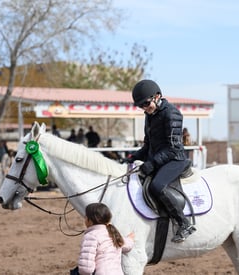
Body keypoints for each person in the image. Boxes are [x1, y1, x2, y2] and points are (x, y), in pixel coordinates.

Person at [126, 79, 196, 243]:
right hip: (160, 159)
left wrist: (152, 164)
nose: (144, 108)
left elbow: (172, 149)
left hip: (175, 159)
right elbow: (149, 145)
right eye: (141, 106)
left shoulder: (172, 113)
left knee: (156, 186)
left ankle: (184, 223)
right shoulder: (149, 115)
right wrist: (134, 156)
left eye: (146, 103)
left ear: (157, 96)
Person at [75, 203, 134, 275]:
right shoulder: (112, 233)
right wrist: (130, 239)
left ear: (90, 221)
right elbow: (126, 246)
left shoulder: (91, 236)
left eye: (86, 217)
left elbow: (86, 269)